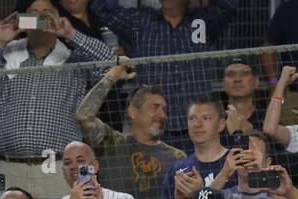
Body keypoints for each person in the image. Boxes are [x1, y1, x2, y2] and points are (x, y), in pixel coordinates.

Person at [0, 3, 113, 199]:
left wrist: (71, 33)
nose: (41, 18)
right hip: (6, 166)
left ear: (60, 19)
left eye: (48, 14)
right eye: (34, 14)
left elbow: (110, 64)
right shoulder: (6, 54)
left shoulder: (75, 58)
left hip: (54, 167)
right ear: (23, 20)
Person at [91, 0, 238, 143]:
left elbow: (229, 4)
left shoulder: (203, 21)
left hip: (196, 128)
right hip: (152, 130)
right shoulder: (139, 22)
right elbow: (101, 8)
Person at [76, 69, 184, 199]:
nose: (162, 115)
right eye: (155, 107)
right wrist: (111, 76)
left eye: (164, 110)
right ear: (133, 112)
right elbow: (83, 116)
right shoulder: (110, 142)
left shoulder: (177, 157)